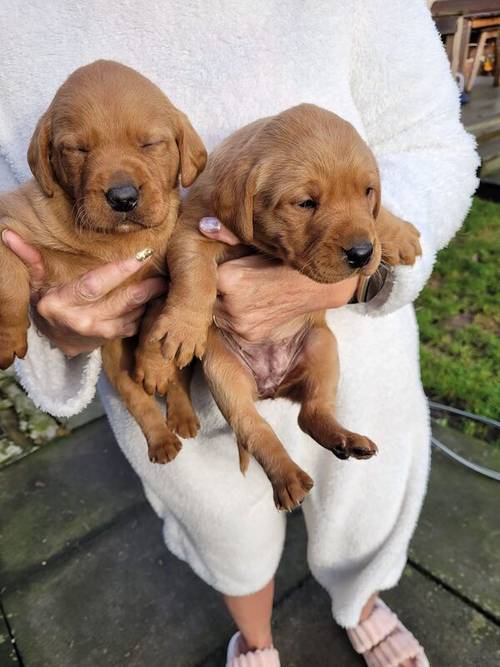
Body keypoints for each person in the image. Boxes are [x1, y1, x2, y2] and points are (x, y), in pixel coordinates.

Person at [0, 2, 478, 665]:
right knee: (225, 535)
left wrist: (347, 273)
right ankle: (256, 638)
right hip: (169, 366)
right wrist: (51, 326)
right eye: (81, 148)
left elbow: (433, 144)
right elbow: (19, 227)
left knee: (361, 508)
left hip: (350, 348)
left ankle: (361, 597)